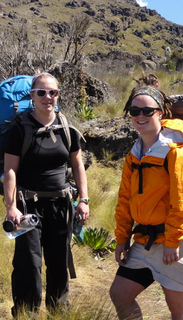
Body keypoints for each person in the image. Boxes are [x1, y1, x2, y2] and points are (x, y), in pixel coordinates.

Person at [109, 83, 183, 320]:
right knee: (120, 294)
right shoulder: (135, 153)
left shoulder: (177, 152)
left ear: (160, 113)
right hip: (145, 240)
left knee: (178, 307)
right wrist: (122, 238)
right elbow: (125, 199)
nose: (141, 116)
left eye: (147, 111)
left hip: (177, 240)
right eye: (135, 111)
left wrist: (172, 242)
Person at [3, 72, 90, 317]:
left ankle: (59, 312)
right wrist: (11, 207)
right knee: (28, 264)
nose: (47, 97)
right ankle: (26, 313)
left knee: (59, 261)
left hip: (61, 205)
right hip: (27, 206)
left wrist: (83, 199)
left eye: (52, 92)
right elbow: (10, 169)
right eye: (41, 92)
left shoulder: (67, 128)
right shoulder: (19, 129)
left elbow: (77, 165)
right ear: (32, 96)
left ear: (58, 95)